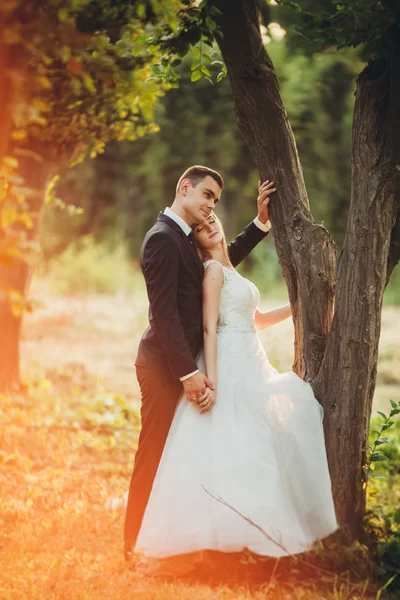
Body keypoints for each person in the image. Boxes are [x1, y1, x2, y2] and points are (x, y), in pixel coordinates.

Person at [134, 211, 338, 562]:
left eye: (212, 219)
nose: (209, 225)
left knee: (253, 439)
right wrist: (212, 379)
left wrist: (299, 306)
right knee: (231, 443)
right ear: (195, 241)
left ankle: (251, 536)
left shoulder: (229, 269)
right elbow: (210, 328)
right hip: (226, 360)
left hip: (249, 357)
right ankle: (225, 541)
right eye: (199, 228)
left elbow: (255, 320)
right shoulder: (212, 271)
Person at [124, 165, 275, 560]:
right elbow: (164, 316)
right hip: (162, 366)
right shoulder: (161, 238)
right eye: (207, 195)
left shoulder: (184, 238)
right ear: (184, 187)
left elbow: (219, 264)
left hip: (182, 362)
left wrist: (259, 225)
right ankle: (133, 543)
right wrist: (189, 373)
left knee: (178, 452)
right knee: (155, 450)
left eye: (216, 201)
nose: (211, 206)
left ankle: (169, 535)